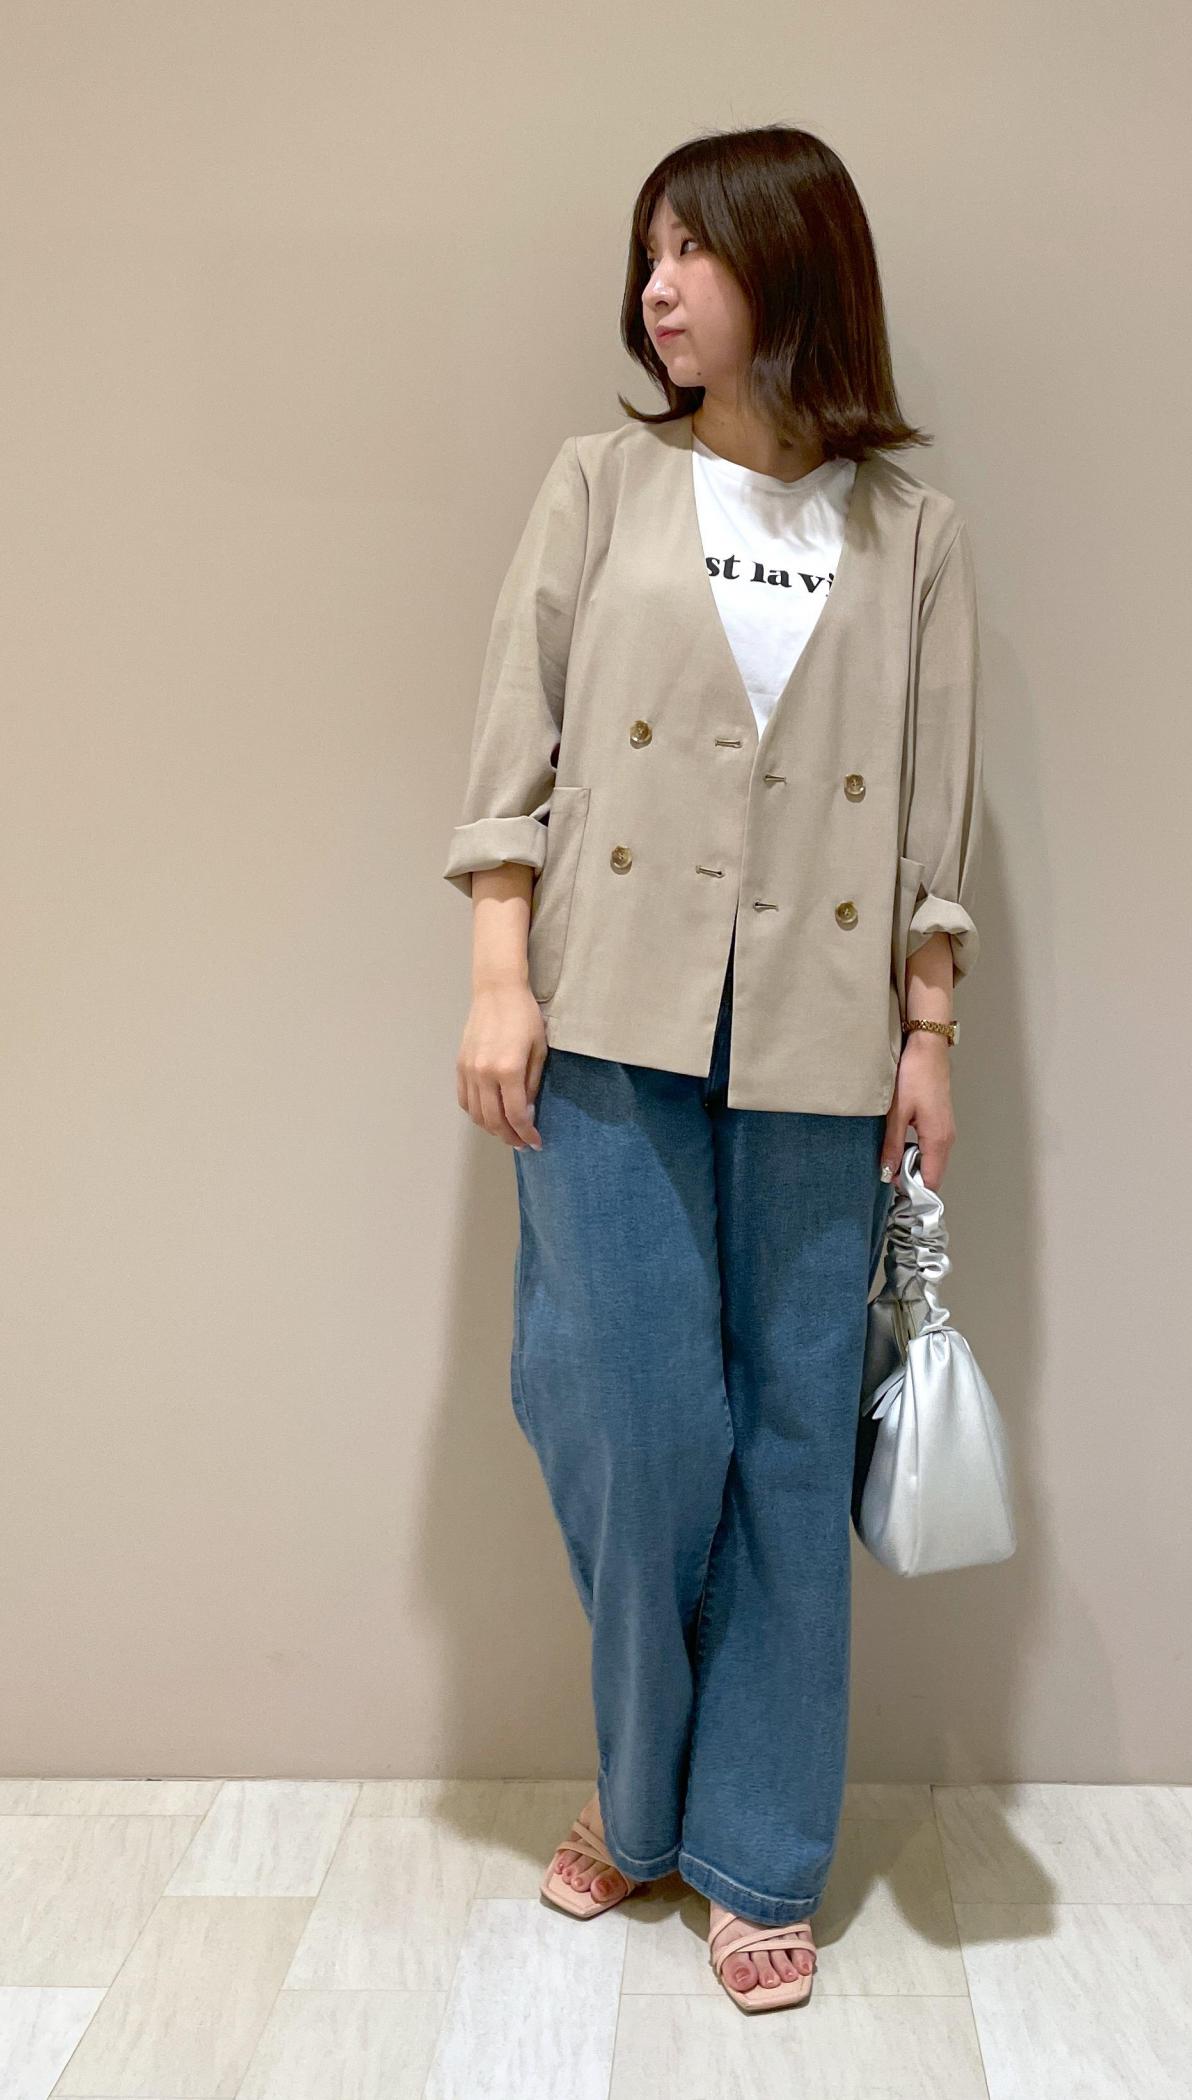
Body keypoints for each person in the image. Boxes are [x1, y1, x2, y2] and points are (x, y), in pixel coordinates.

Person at [445, 123, 983, 2014]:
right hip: (606, 1012)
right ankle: (644, 1781)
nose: (656, 286)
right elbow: (513, 748)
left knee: (791, 1434)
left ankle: (753, 1848)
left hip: (824, 1036)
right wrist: (497, 977)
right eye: (648, 253)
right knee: (627, 1411)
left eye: (694, 250)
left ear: (791, 266)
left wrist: (929, 1031)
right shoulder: (602, 483)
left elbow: (932, 818)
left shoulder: (912, 535)